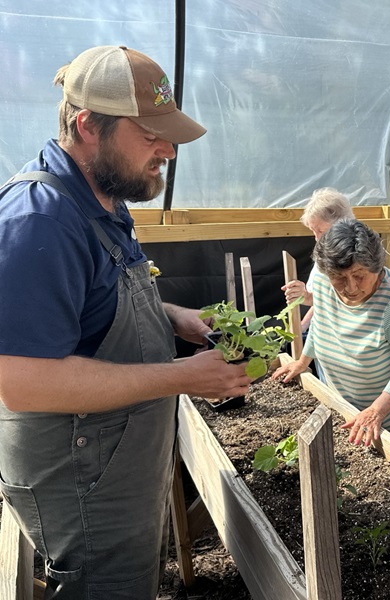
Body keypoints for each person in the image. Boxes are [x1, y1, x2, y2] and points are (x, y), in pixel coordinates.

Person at [0, 46, 252, 598]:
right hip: (81, 483)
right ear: (88, 125)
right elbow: (22, 381)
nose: (168, 150)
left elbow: (88, 305)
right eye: (150, 134)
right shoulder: (39, 220)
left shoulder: (104, 198)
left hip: (111, 466)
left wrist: (175, 317)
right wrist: (183, 376)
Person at [272, 219, 390, 445]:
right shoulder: (323, 283)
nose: (351, 287)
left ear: (376, 267)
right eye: (339, 278)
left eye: (359, 275)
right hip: (349, 411)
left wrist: (377, 410)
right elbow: (321, 324)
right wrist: (303, 361)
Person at [282, 187, 354, 334]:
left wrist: (307, 297)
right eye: (313, 231)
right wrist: (303, 325)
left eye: (321, 231)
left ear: (341, 224)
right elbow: (321, 297)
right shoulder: (328, 250)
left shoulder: (353, 258)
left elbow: (338, 300)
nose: (316, 238)